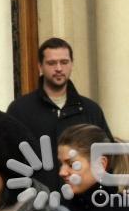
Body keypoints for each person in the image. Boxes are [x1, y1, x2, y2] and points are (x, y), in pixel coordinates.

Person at [7, 38, 112, 189]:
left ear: (71, 64)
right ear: (40, 66)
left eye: (64, 62)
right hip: (38, 202)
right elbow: (9, 158)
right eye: (51, 63)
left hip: (83, 203)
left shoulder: (90, 109)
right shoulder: (20, 110)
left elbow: (106, 155)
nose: (58, 68)